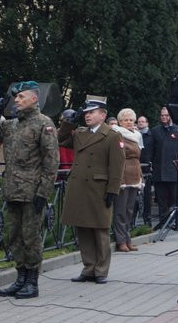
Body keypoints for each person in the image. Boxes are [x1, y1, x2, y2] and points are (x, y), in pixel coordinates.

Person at [0, 81, 59, 298]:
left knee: (30, 237)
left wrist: (43, 193)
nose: (16, 100)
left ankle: (32, 282)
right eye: (16, 97)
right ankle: (20, 278)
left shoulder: (44, 123)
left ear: (34, 98)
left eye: (21, 97)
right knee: (14, 236)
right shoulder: (11, 125)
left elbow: (51, 161)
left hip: (32, 192)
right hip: (13, 190)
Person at [59, 99, 125, 284]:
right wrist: (70, 121)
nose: (87, 115)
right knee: (83, 229)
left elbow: (117, 165)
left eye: (92, 112)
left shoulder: (112, 135)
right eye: (86, 113)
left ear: (103, 115)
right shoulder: (80, 133)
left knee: (99, 230)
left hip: (99, 188)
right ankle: (88, 268)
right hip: (80, 187)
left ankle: (101, 270)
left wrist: (113, 190)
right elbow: (61, 139)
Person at [111, 108, 144, 252]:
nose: (129, 122)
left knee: (130, 209)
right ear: (120, 122)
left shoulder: (137, 135)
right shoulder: (117, 134)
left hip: (135, 173)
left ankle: (128, 238)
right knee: (120, 210)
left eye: (131, 119)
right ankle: (120, 241)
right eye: (126, 120)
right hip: (123, 174)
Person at [149, 106, 178, 225]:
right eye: (162, 115)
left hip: (174, 170)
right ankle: (163, 222)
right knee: (161, 199)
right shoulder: (155, 130)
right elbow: (151, 150)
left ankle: (174, 221)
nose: (164, 118)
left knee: (174, 197)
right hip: (159, 170)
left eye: (166, 115)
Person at [136, 115, 154, 226]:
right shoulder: (134, 134)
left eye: (143, 121)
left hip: (147, 168)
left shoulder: (151, 135)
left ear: (147, 123)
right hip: (136, 167)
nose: (141, 123)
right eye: (139, 121)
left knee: (147, 194)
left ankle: (147, 218)